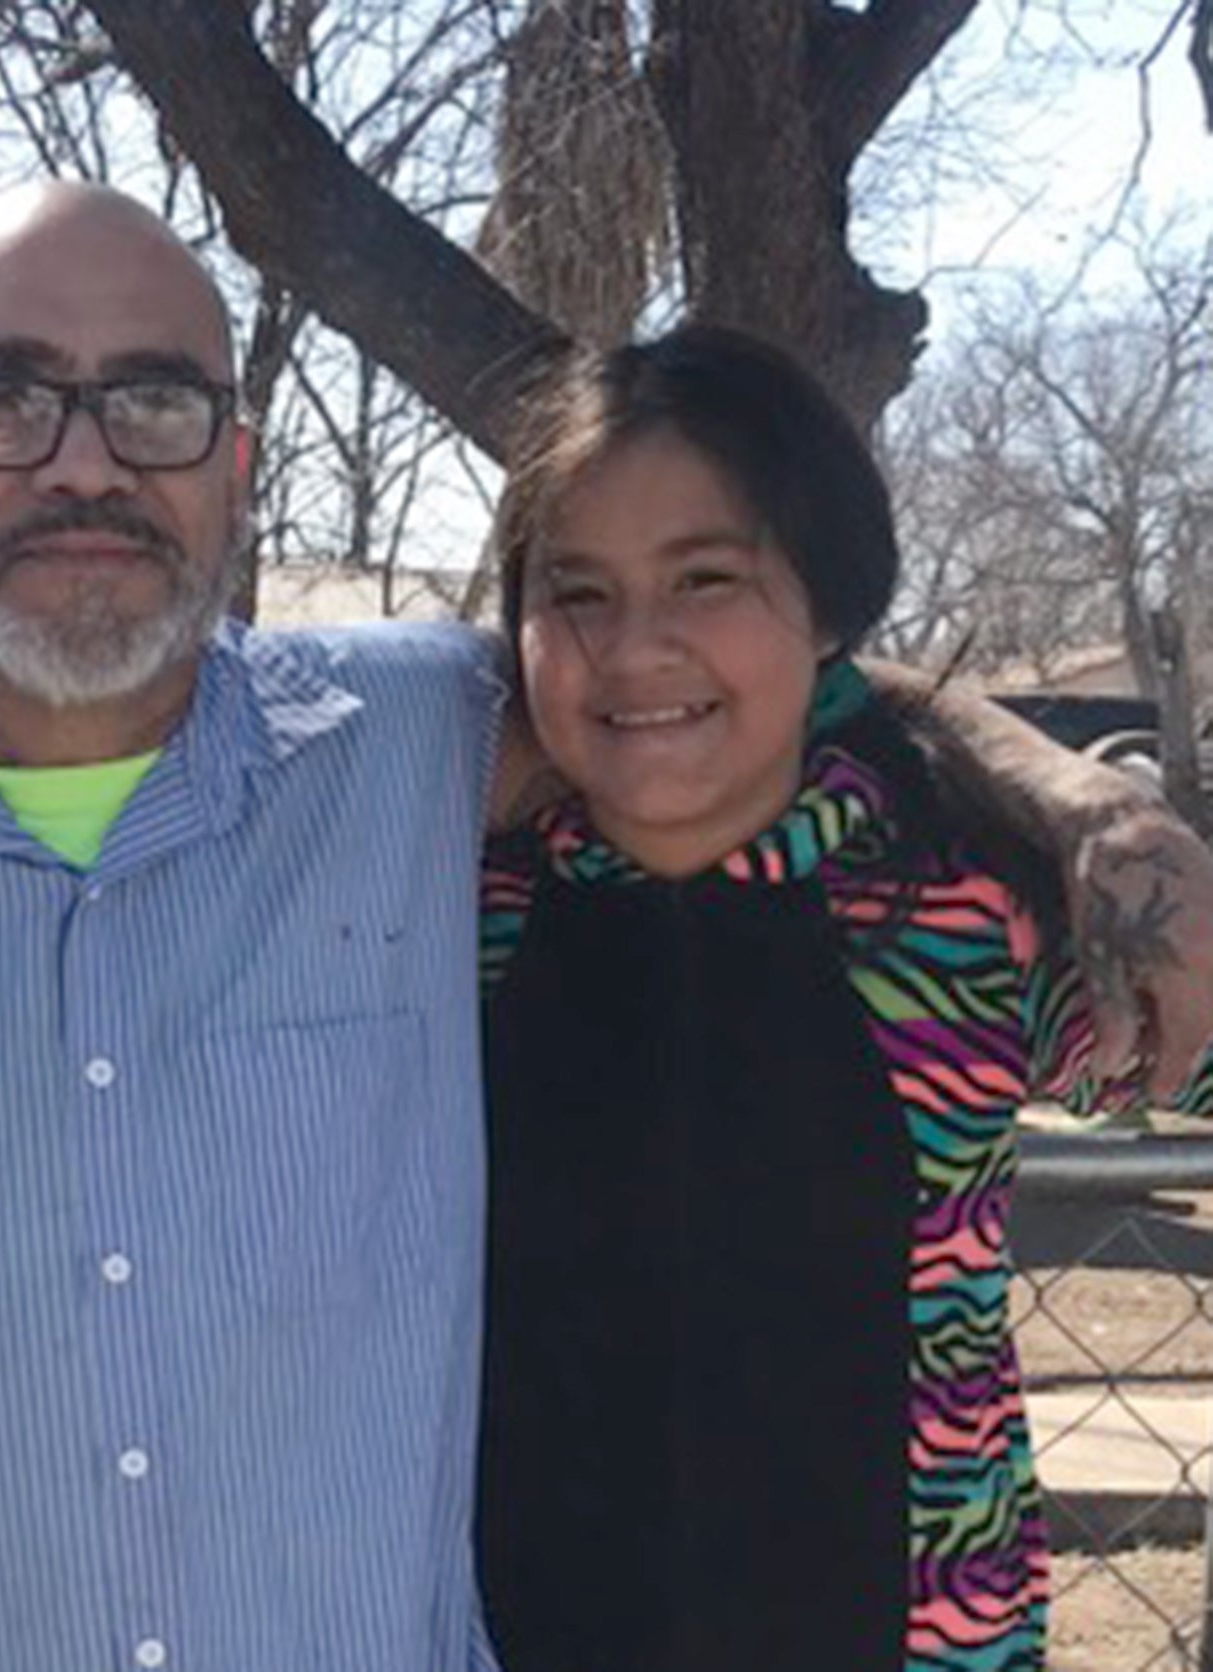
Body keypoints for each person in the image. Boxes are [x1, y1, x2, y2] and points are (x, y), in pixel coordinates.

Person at [0, 183, 1208, 1672]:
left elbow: (732, 699)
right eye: (2, 400)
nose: (87, 464)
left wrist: (1094, 806)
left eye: (154, 400)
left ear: (240, 463)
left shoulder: (398, 762)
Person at [473, 323, 1213, 1672]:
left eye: (706, 578)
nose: (636, 646)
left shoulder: (976, 908)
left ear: (827, 604)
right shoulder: (446, 920)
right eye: (575, 591)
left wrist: (1129, 835)